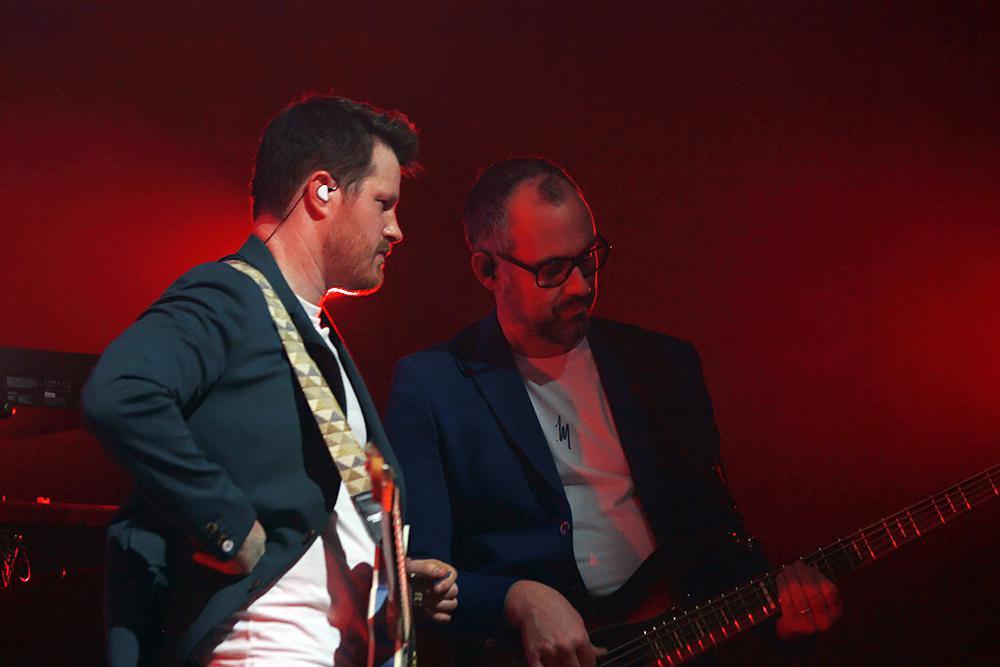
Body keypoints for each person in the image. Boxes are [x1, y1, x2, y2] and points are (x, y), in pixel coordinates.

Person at [384, 157, 842, 666]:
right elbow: (416, 576)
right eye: (552, 269)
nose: (581, 285)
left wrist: (780, 598)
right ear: (488, 270)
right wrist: (517, 598)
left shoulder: (663, 364)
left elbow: (713, 533)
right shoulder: (433, 384)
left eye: (588, 259)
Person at [83, 95, 456, 666]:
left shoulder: (309, 329)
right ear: (322, 191)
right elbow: (119, 392)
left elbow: (303, 509)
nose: (396, 230)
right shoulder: (229, 294)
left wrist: (389, 580)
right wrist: (229, 527)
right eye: (383, 204)